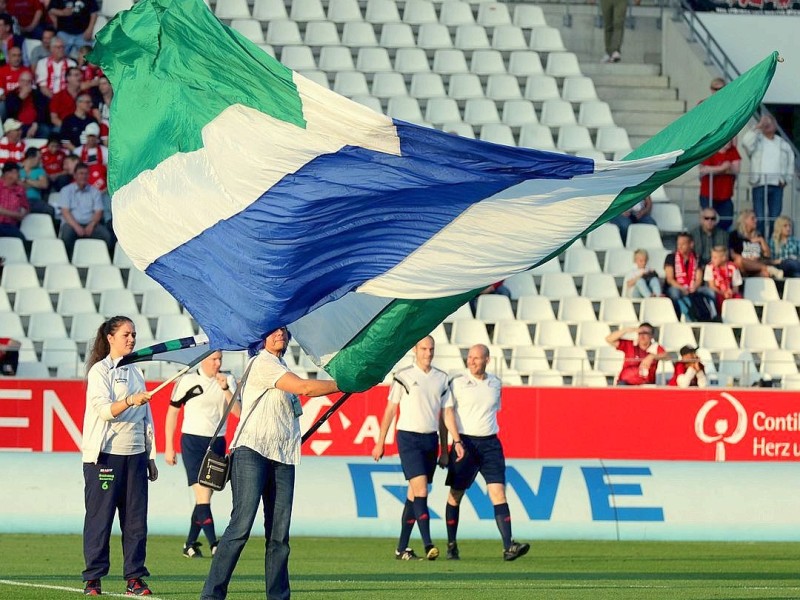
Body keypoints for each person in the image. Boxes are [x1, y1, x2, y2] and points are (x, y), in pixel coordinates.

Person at [201, 326, 339, 600]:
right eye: (273, 331)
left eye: (284, 330)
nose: (281, 334)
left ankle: (278, 596)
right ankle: (211, 595)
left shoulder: (281, 364)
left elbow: (293, 408)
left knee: (279, 537)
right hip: (253, 451)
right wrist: (344, 384)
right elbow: (305, 388)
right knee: (240, 527)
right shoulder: (262, 362)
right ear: (261, 339)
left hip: (283, 455)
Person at [81, 315, 157, 597]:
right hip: (105, 457)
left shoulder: (137, 371)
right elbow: (103, 411)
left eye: (134, 334)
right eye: (126, 334)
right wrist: (129, 400)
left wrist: (149, 456)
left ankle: (134, 578)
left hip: (135, 457)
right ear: (110, 338)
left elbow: (146, 417)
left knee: (136, 521)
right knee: (100, 520)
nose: (131, 339)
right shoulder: (99, 372)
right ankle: (93, 578)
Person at [371, 335, 463, 562]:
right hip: (408, 438)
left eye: (431, 349)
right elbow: (390, 411)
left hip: (430, 439)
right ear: (415, 349)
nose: (428, 353)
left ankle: (402, 548)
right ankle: (428, 544)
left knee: (414, 495)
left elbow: (445, 415)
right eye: (423, 348)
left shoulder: (441, 378)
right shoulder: (403, 377)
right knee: (421, 491)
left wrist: (447, 447)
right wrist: (380, 441)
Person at [443, 343, 530, 562]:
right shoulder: (457, 382)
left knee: (499, 493)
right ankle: (451, 544)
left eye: (476, 358)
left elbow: (492, 412)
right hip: (466, 444)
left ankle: (508, 546)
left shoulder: (495, 384)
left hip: (491, 444)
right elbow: (447, 413)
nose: (471, 361)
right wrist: (456, 441)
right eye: (469, 357)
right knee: (456, 495)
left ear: (487, 360)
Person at [165, 351, 239, 559]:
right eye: (213, 359)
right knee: (203, 496)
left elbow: (238, 413)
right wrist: (169, 446)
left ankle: (189, 545)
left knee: (203, 498)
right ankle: (215, 544)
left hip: (217, 442)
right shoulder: (187, 380)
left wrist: (225, 388)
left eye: (220, 359)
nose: (217, 363)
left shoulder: (229, 380)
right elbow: (172, 412)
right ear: (203, 359)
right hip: (192, 442)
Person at [740, 114, 794, 238]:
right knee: (759, 217)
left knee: (774, 217)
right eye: (765, 124)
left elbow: (790, 161)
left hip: (777, 185)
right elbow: (745, 142)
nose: (768, 126)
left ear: (775, 125)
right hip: (759, 183)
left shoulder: (782, 143)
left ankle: (772, 242)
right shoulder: (756, 141)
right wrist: (757, 126)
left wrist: (787, 180)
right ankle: (760, 241)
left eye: (770, 123)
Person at [57, 161, 112, 256]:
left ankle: (102, 260)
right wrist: (76, 227)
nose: (83, 176)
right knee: (66, 235)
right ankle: (68, 260)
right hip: (72, 224)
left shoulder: (94, 191)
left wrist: (91, 225)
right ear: (75, 175)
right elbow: (65, 212)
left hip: (91, 224)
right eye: (81, 173)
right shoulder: (66, 190)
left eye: (86, 174)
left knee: (107, 236)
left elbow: (98, 211)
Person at [663, 231, 709, 319]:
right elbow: (670, 279)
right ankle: (679, 316)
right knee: (674, 293)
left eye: (683, 244)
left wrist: (694, 287)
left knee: (709, 292)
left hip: (692, 287)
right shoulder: (670, 257)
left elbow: (699, 278)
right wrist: (682, 288)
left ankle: (712, 315)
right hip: (676, 287)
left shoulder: (697, 258)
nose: (679, 246)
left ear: (691, 244)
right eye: (678, 244)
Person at [698, 139, 740, 231]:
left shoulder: (732, 150)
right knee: (709, 220)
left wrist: (713, 169)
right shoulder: (711, 149)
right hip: (708, 193)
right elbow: (702, 170)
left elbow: (736, 170)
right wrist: (722, 168)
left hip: (725, 194)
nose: (731, 140)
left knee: (727, 220)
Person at [729, 208, 782, 279]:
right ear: (745, 220)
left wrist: (761, 240)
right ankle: (768, 268)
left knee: (765, 274)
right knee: (739, 261)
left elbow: (767, 255)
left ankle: (766, 269)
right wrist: (747, 260)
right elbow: (732, 254)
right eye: (752, 219)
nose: (756, 221)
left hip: (756, 266)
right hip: (742, 266)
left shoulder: (758, 234)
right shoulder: (735, 235)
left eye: (755, 218)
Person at [4, 70, 50, 138]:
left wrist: (35, 125)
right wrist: (20, 97)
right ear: (19, 82)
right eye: (23, 81)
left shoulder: (37, 94)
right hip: (17, 125)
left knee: (45, 130)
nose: (26, 83)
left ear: (32, 83)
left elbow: (42, 112)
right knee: (13, 132)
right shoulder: (11, 95)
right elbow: (10, 112)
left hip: (35, 124)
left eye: (28, 81)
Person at [703, 245, 742, 314]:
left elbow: (736, 287)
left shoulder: (733, 267)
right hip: (718, 292)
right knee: (717, 298)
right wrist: (723, 293)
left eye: (715, 258)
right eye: (712, 257)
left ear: (723, 258)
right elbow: (711, 286)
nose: (712, 259)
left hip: (730, 293)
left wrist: (730, 292)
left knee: (738, 298)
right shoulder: (709, 267)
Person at [19, 146, 52, 217]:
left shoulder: (40, 170)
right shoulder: (17, 169)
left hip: (35, 201)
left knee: (50, 209)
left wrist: (25, 180)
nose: (41, 161)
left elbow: (44, 184)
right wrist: (35, 183)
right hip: (19, 200)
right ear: (31, 157)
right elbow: (17, 184)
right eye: (39, 158)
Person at [0, 160, 27, 238]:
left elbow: (25, 207)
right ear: (7, 173)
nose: (19, 174)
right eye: (16, 172)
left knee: (21, 240)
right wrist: (16, 214)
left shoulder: (20, 189)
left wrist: (23, 212)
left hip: (11, 226)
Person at [49, 64, 80, 131]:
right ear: (68, 78)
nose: (79, 78)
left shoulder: (84, 95)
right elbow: (54, 119)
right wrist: (68, 128)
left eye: (80, 75)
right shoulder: (58, 96)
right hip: (63, 126)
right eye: (76, 75)